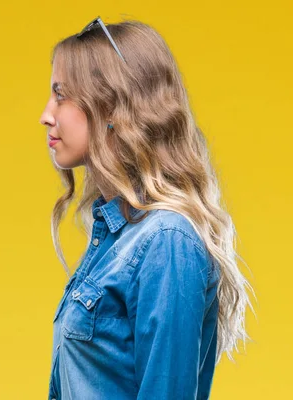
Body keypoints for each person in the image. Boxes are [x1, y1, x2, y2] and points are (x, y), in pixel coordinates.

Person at [39, 16, 255, 400]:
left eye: (61, 95)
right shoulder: (114, 235)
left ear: (112, 108)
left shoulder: (166, 242)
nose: (46, 115)